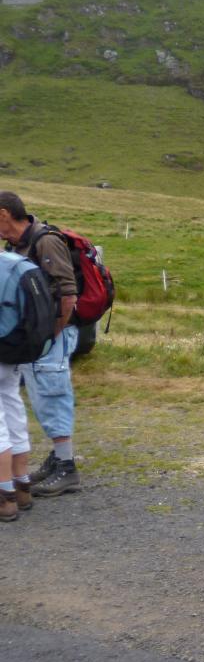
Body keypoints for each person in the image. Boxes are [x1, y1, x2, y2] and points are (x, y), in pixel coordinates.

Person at [0, 191, 82, 498]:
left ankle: (67, 468)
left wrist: (50, 338)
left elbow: (68, 294)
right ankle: (58, 457)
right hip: (35, 338)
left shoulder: (46, 242)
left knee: (52, 391)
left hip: (52, 336)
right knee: (40, 394)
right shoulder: (17, 246)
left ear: (4, 214)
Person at [0, 249, 35, 522]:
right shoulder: (12, 264)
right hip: (12, 350)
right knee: (12, 407)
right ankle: (22, 485)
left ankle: (5, 497)